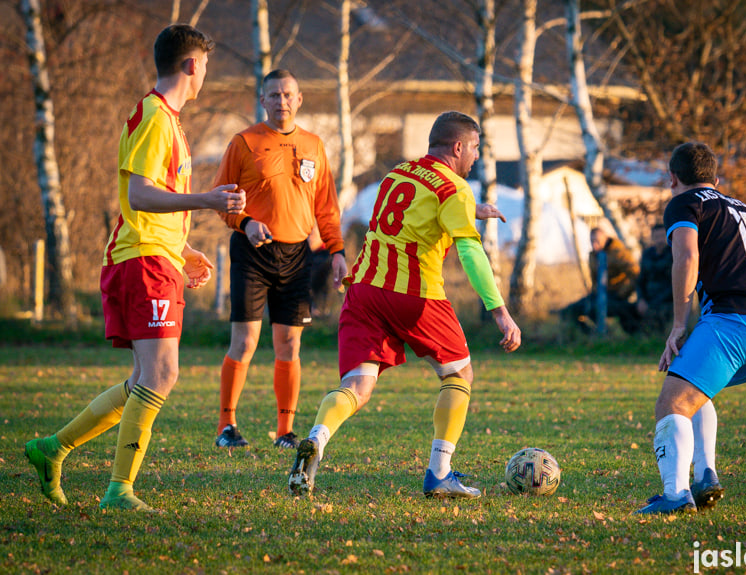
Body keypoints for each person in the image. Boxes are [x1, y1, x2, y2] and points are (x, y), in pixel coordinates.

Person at [24, 24, 246, 511]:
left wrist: (183, 249)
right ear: (191, 65)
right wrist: (207, 199)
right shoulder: (154, 115)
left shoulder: (169, 120)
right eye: (205, 65)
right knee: (161, 374)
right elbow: (138, 194)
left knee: (148, 377)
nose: (206, 73)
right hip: (141, 261)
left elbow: (147, 203)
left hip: (154, 257)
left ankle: (52, 449)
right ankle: (119, 491)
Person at [287, 111, 521, 498]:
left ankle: (317, 437)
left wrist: (472, 209)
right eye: (476, 148)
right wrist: (500, 312)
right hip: (414, 294)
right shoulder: (456, 189)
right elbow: (470, 251)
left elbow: (416, 211)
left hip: (363, 290)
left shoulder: (399, 173)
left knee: (357, 385)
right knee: (459, 374)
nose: (477, 157)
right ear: (459, 147)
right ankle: (440, 473)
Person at [635, 142, 746, 514]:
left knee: (671, 402)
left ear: (673, 177)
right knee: (695, 391)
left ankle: (675, 496)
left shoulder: (685, 202)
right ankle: (706, 476)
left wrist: (677, 325)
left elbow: (687, 256)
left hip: (734, 321)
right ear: (715, 179)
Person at [212, 69, 346, 450]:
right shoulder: (244, 142)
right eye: (274, 95)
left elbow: (326, 207)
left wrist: (336, 251)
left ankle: (285, 431)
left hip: (296, 256)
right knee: (247, 341)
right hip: (252, 252)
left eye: (288, 94)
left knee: (289, 344)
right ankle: (227, 427)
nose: (282, 102)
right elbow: (221, 200)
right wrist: (245, 222)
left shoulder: (314, 145)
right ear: (263, 100)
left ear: (299, 99)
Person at [560, 227, 640, 334]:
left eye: (597, 241)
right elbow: (594, 280)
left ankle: (608, 335)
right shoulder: (593, 255)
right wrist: (594, 293)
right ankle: (591, 336)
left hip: (616, 294)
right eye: (592, 241)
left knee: (598, 310)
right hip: (599, 294)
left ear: (605, 239)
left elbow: (635, 274)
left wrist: (622, 293)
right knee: (568, 311)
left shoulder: (618, 252)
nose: (594, 245)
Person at [636, 223, 674, 333]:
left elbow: (674, 285)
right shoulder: (647, 254)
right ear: (652, 238)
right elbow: (641, 280)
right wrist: (641, 299)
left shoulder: (673, 254)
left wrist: (654, 302)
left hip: (667, 300)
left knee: (655, 316)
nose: (660, 240)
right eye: (657, 237)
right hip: (648, 298)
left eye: (662, 236)